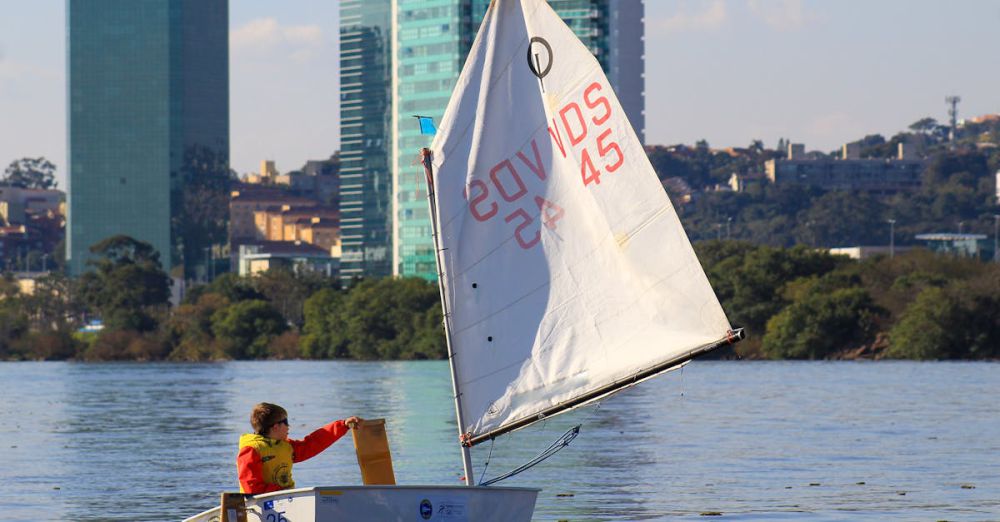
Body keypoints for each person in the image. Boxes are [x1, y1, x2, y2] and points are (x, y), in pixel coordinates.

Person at [237, 402, 361, 494]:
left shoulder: (286, 446)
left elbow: (313, 444)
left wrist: (343, 425)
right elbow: (251, 487)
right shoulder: (251, 450)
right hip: (261, 505)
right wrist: (281, 492)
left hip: (285, 499)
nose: (288, 426)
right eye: (285, 422)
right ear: (275, 427)